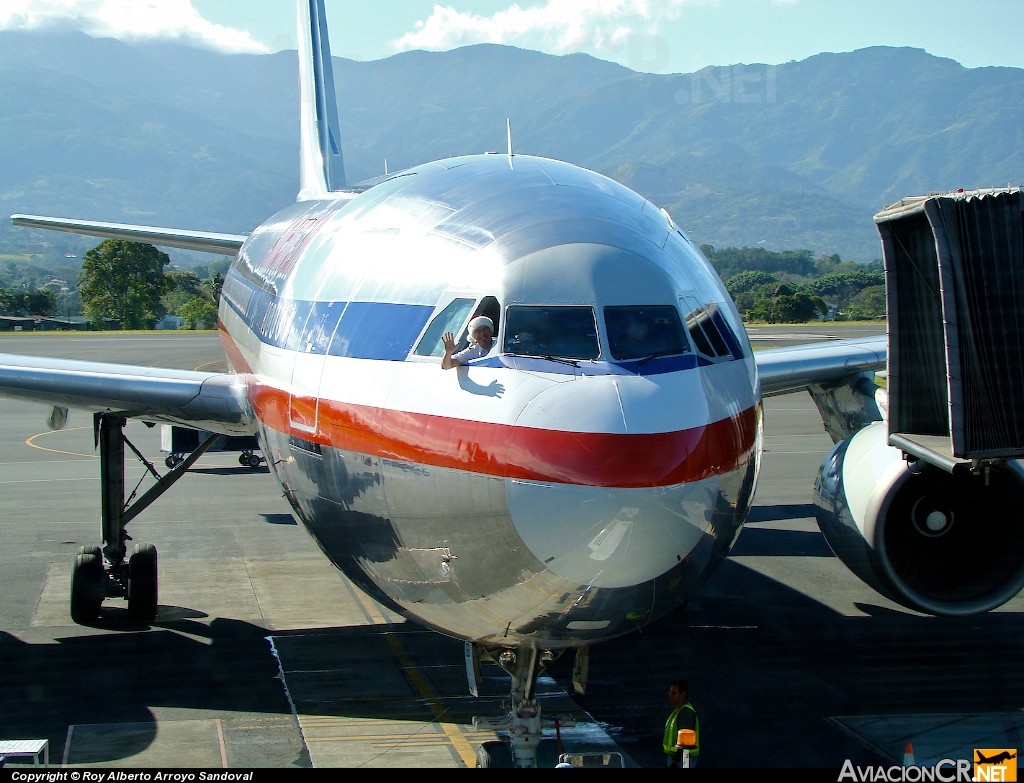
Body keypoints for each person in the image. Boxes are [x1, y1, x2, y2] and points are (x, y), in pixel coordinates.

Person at [663, 679, 699, 768]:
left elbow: (686, 742)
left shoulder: (685, 713)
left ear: (683, 694)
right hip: (679, 758)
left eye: (673, 693)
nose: (670, 696)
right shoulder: (678, 711)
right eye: (670, 693)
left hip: (683, 759)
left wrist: (676, 762)